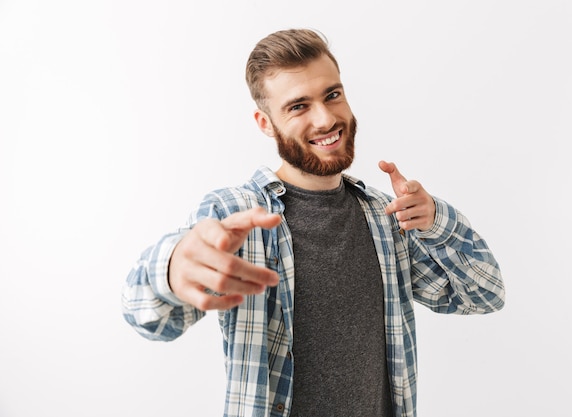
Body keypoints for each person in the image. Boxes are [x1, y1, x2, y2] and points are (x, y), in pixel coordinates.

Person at [122, 28, 505, 417]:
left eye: (332, 95)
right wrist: (171, 268)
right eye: (298, 106)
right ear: (265, 122)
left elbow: (484, 296)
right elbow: (147, 318)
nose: (326, 119)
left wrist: (436, 221)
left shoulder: (384, 217)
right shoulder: (236, 217)